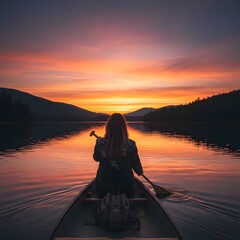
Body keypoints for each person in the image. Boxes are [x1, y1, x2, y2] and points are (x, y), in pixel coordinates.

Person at [93, 113, 143, 197]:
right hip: (126, 188)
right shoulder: (131, 144)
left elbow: (96, 158)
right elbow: (138, 170)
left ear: (108, 127)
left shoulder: (99, 143)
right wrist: (138, 170)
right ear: (124, 127)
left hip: (103, 187)